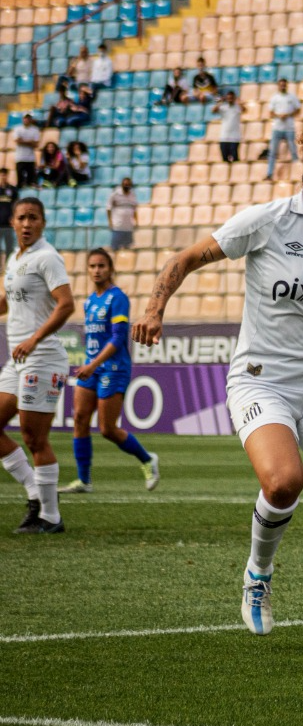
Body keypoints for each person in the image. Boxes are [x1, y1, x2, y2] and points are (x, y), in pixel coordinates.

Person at [132, 104, 303, 647]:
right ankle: (257, 576)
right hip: (261, 380)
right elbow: (186, 258)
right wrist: (154, 308)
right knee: (284, 481)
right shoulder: (267, 221)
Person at [0, 197, 74, 533]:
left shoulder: (47, 257)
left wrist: (34, 339)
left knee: (34, 438)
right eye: (21, 218)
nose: (27, 224)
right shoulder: (15, 259)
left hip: (42, 358)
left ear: (43, 223)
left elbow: (66, 305)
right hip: (17, 360)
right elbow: (9, 300)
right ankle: (35, 496)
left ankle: (51, 517)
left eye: (33, 218)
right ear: (12, 223)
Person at [59, 248, 160, 495]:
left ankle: (147, 459)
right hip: (92, 366)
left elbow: (117, 338)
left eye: (101, 266)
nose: (96, 270)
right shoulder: (90, 302)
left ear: (111, 269)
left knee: (107, 429)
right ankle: (84, 480)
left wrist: (92, 364)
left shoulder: (118, 298)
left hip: (114, 368)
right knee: (80, 419)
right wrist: (89, 363)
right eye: (92, 266)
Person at [266, 78, 302, 178]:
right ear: (278, 85)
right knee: (272, 152)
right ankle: (269, 174)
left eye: (284, 84)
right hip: (277, 128)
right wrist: (279, 115)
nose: (282, 86)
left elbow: (298, 109)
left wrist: (288, 115)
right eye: (281, 85)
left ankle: (299, 174)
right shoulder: (274, 98)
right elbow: (271, 112)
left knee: (294, 152)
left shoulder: (292, 97)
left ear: (286, 85)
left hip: (289, 128)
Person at [107, 177, 139, 250]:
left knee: (127, 248)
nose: (127, 186)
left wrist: (136, 220)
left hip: (128, 226)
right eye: (125, 184)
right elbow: (108, 208)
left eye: (128, 184)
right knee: (115, 248)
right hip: (118, 226)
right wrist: (110, 221)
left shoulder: (133, 195)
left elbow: (135, 209)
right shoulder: (115, 194)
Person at [213, 91, 244, 162]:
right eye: (228, 98)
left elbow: (244, 110)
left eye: (231, 98)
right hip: (224, 137)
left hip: (235, 137)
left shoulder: (237, 107)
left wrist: (239, 102)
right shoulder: (223, 107)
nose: (230, 99)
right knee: (224, 159)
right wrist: (220, 102)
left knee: (235, 158)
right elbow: (213, 110)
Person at [12, 115, 41, 189]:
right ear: (23, 119)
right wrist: (30, 142)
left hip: (30, 158)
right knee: (20, 180)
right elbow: (17, 141)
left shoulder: (35, 129)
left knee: (30, 181)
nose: (26, 120)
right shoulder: (17, 128)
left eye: (28, 118)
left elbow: (36, 144)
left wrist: (23, 141)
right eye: (25, 118)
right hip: (20, 157)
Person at [0, 169, 15, 271]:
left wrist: (13, 217)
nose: (3, 177)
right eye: (1, 175)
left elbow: (16, 205)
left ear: (7, 176)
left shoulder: (13, 190)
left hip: (8, 224)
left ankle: (8, 267)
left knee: (9, 247)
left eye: (5, 175)